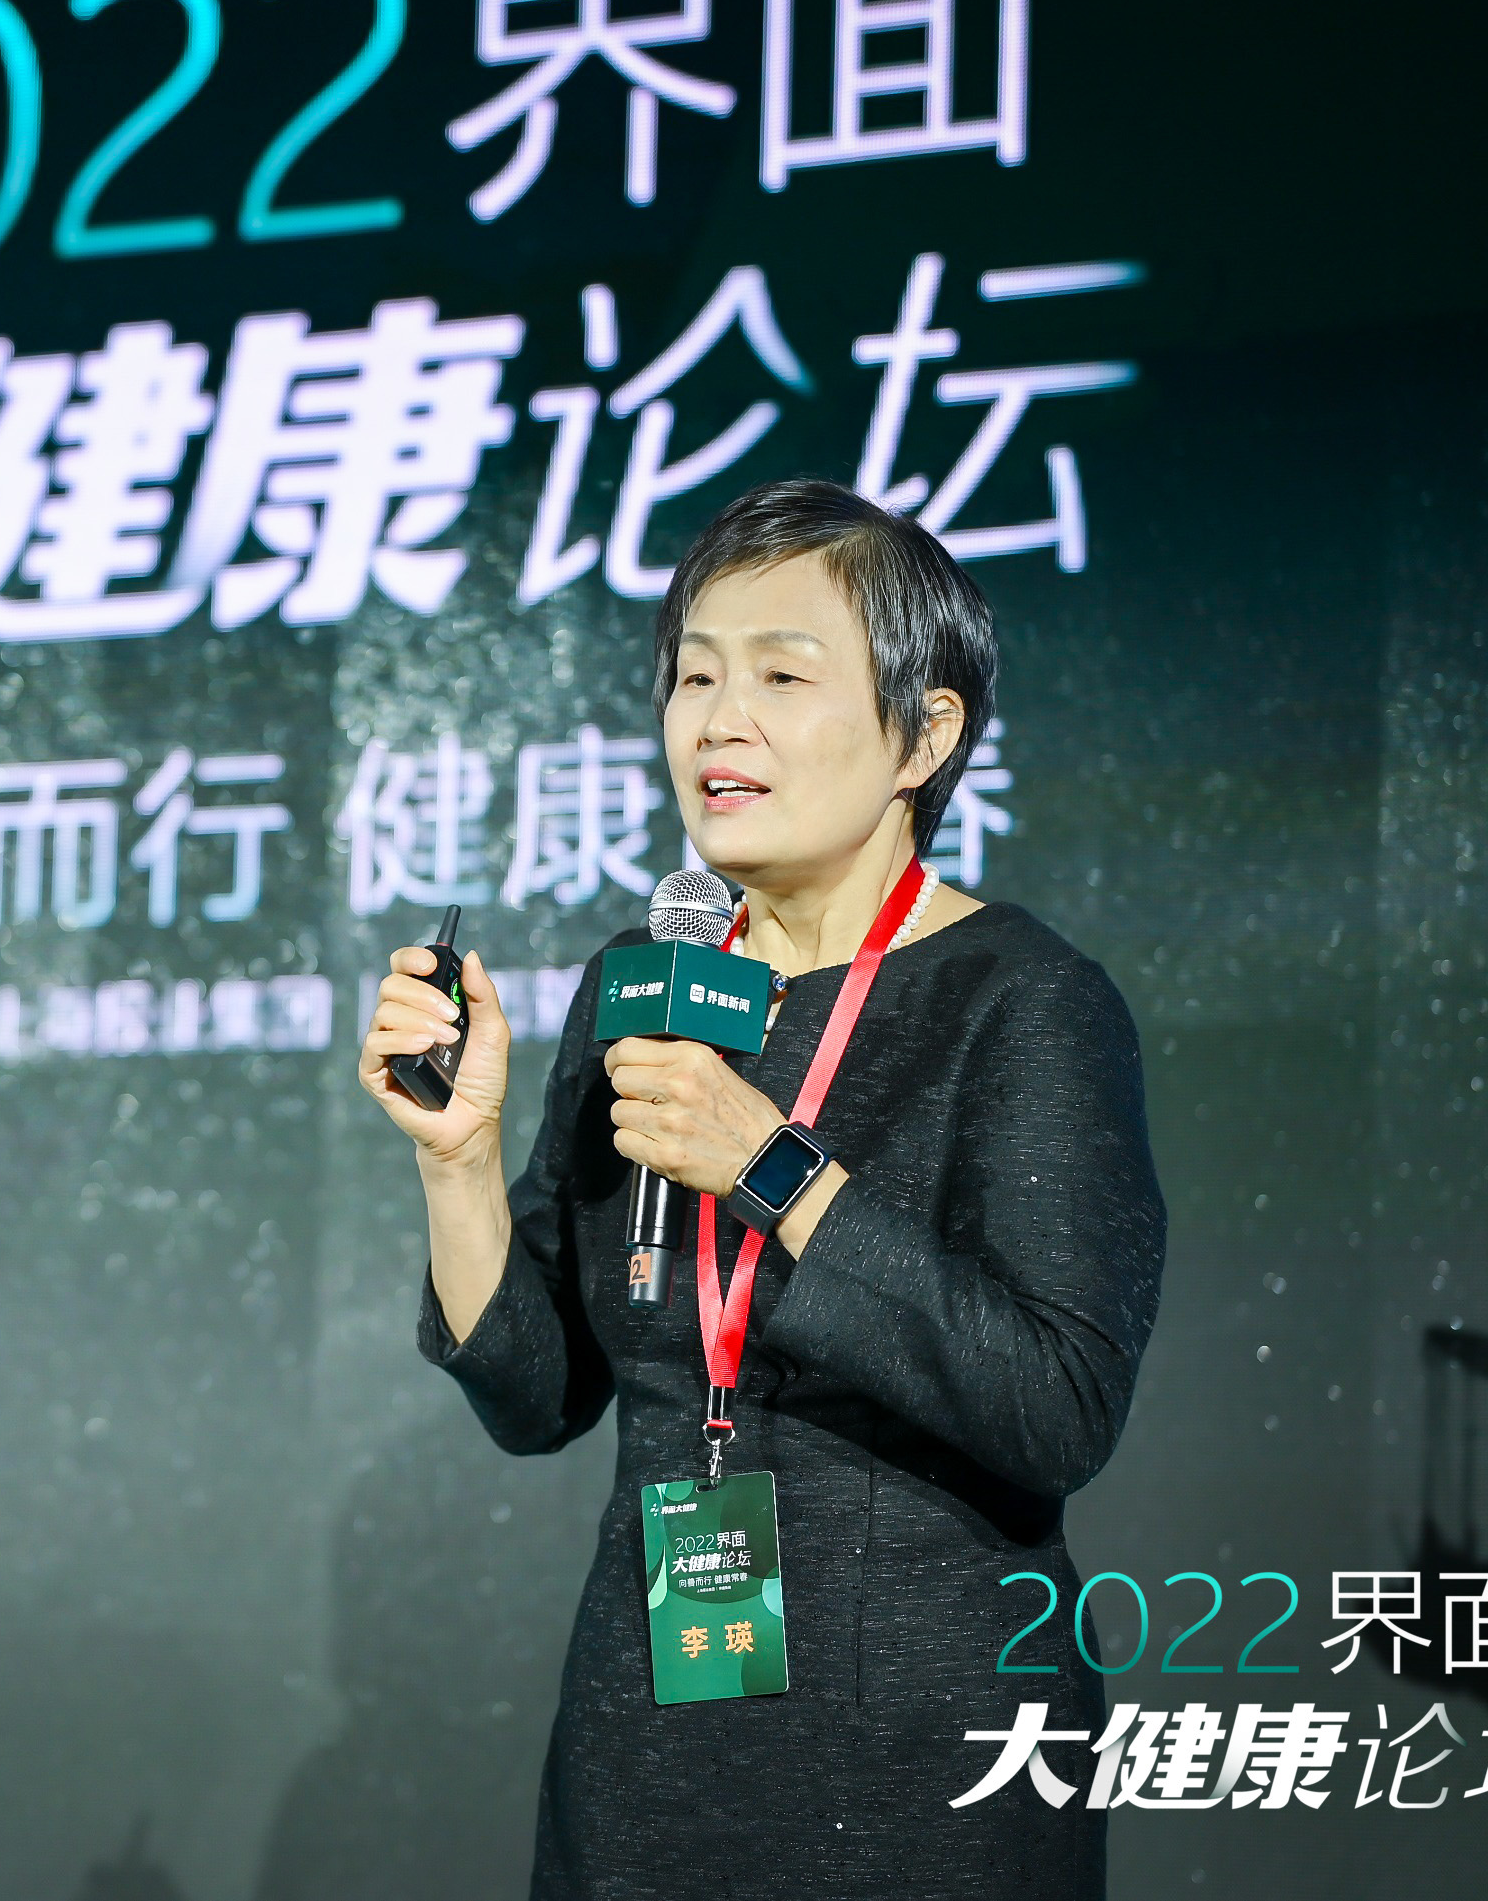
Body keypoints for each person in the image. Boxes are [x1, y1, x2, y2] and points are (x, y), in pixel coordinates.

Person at [358, 479, 1166, 1899]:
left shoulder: (1023, 998)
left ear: (924, 733)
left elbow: (1056, 1405)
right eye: (694, 678)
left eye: (782, 678)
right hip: (650, 1743)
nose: (719, 721)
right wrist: (458, 1159)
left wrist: (770, 1164)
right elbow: (536, 1398)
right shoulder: (642, 981)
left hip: (928, 1751)